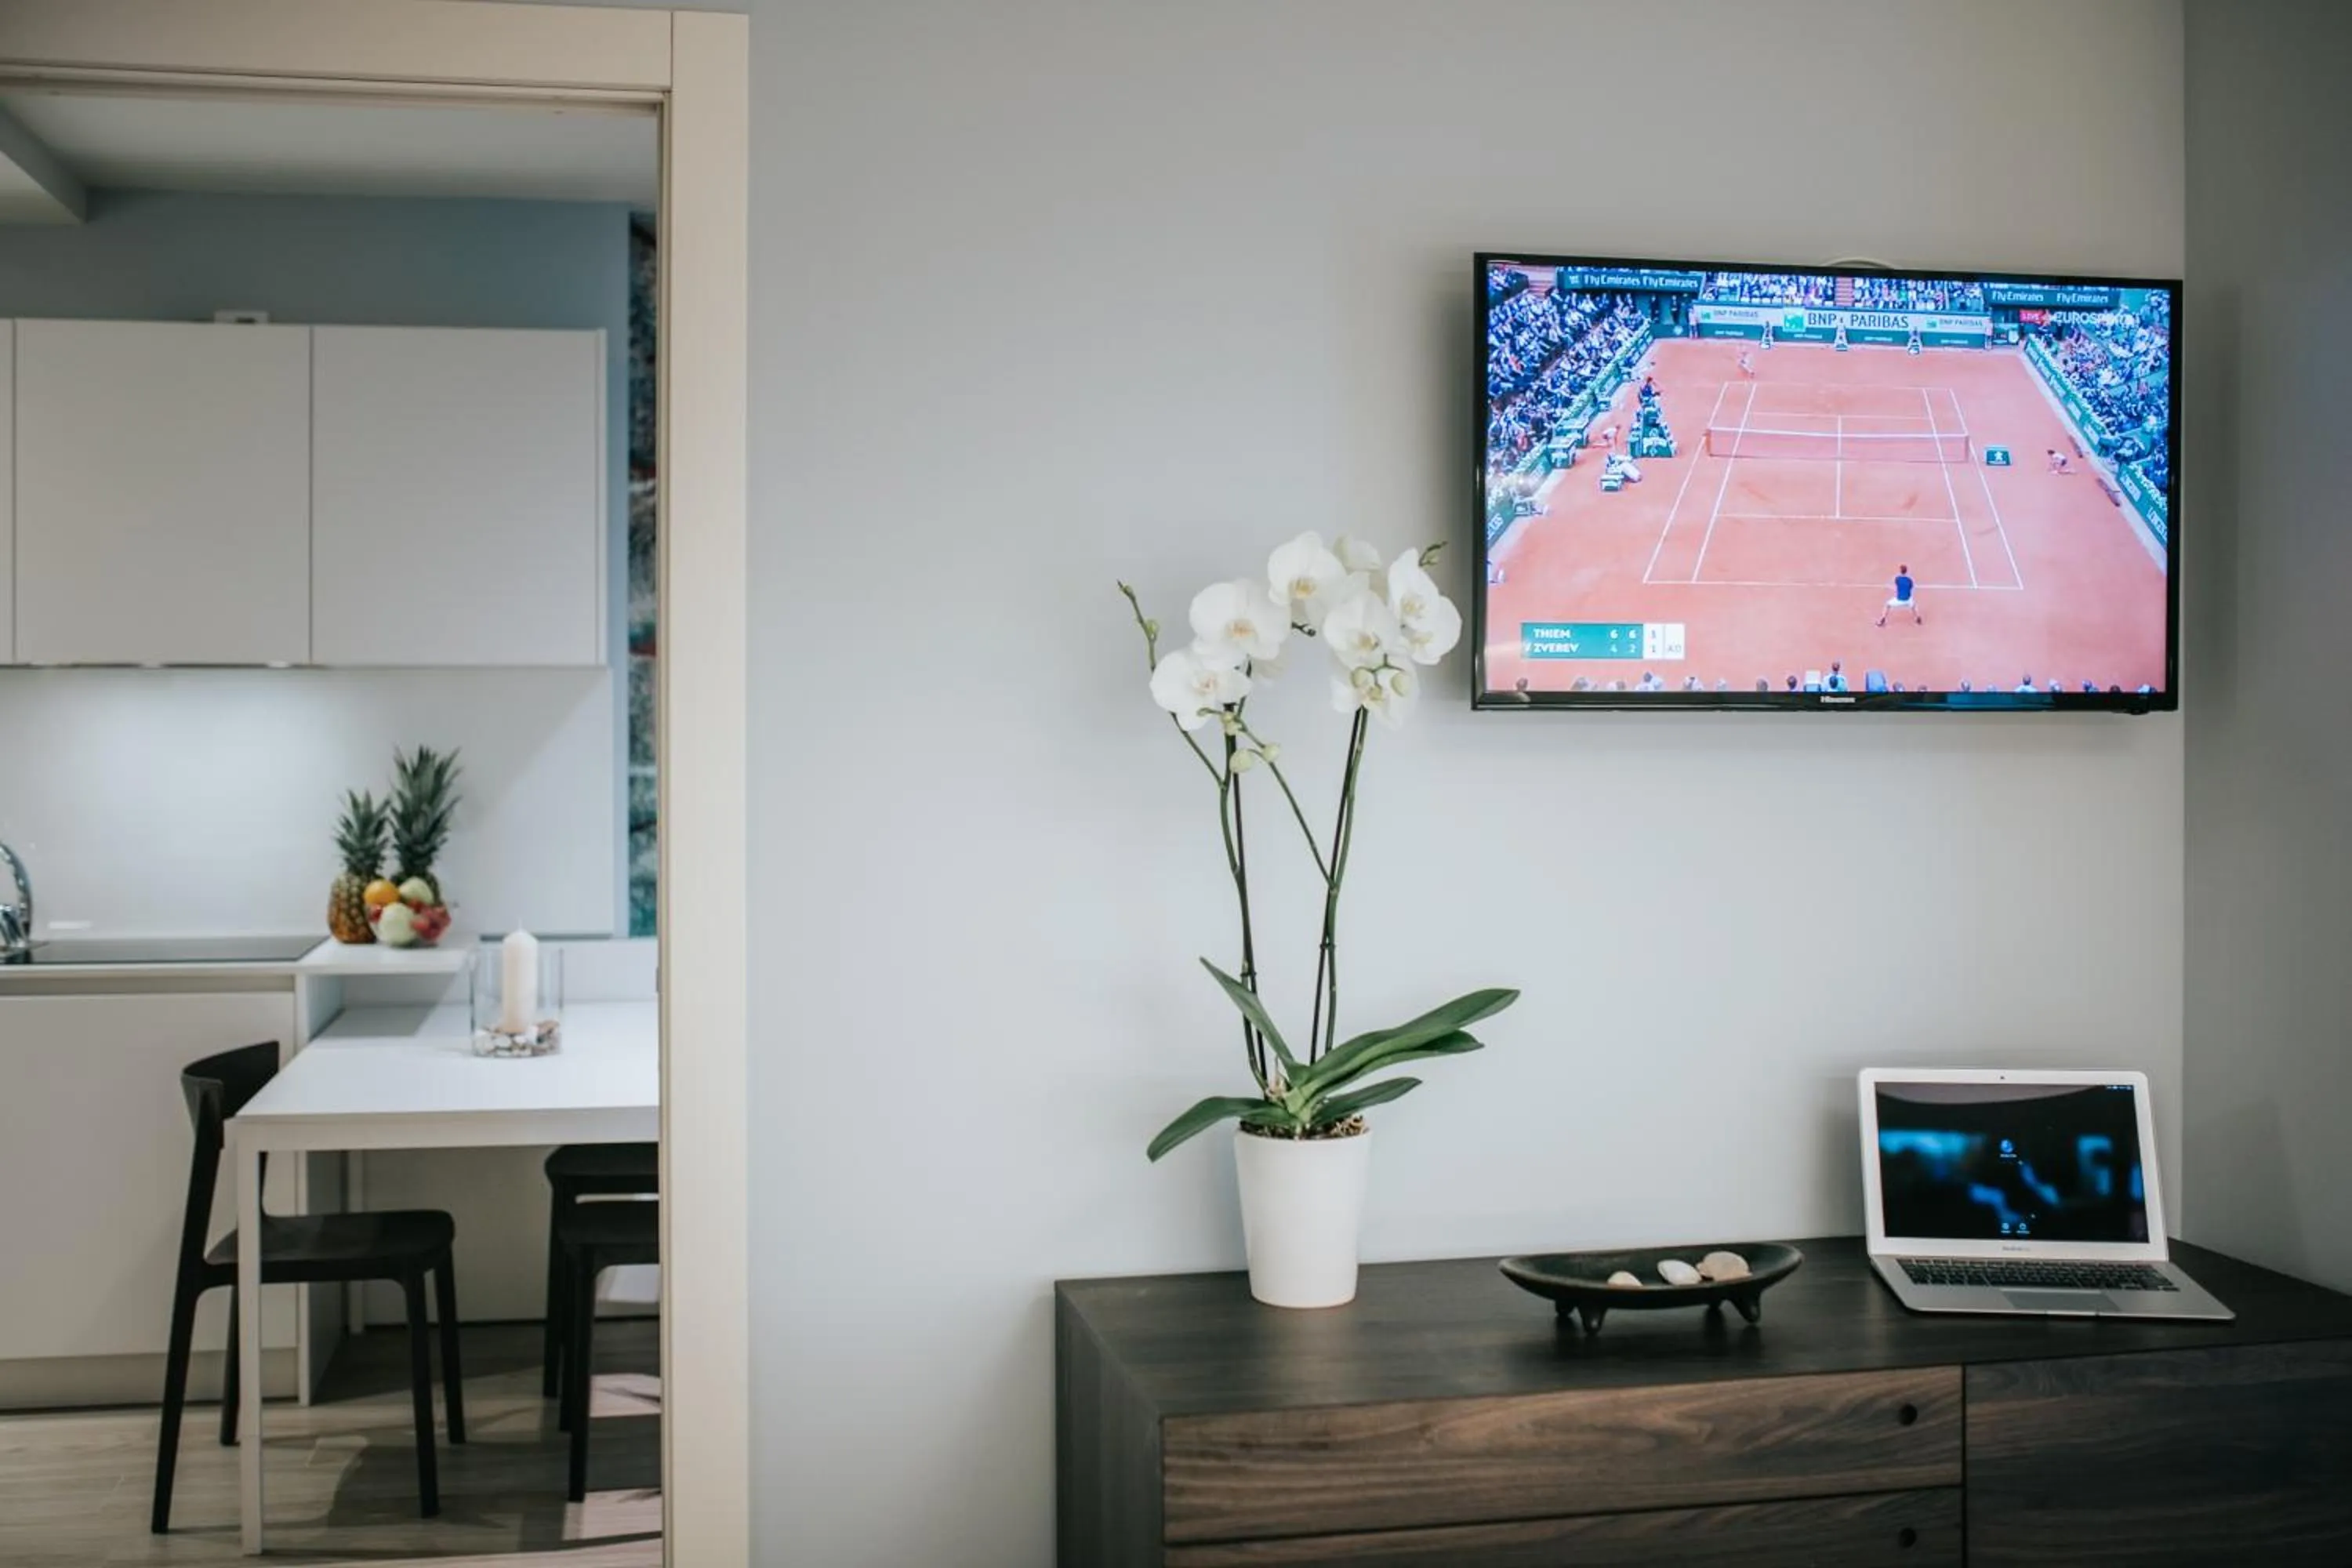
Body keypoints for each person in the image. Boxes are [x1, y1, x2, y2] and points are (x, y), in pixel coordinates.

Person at [1877, 562, 1922, 626]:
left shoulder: (1897, 579)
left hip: (1899, 600)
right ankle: (1918, 619)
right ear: (1906, 571)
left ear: (1900, 571)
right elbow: (1911, 588)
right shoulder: (1909, 580)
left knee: (1887, 605)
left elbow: (1895, 585)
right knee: (1914, 606)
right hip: (1908, 600)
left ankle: (1883, 619)